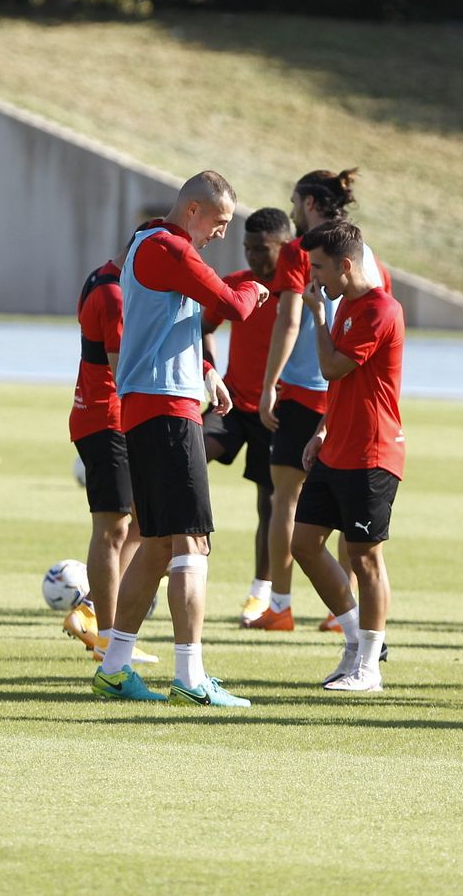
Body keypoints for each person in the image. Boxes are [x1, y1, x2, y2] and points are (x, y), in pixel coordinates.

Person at [91, 171, 267, 706]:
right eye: (220, 221)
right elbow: (234, 307)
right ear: (193, 209)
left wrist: (207, 371)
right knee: (192, 541)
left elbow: (188, 319)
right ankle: (190, 677)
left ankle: (115, 666)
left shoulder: (152, 242)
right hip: (166, 410)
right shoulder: (169, 247)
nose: (222, 232)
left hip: (155, 405)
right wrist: (256, 287)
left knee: (158, 541)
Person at [250, 169, 389, 633]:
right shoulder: (366, 257)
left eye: (294, 201)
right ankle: (341, 614)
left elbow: (290, 322)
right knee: (335, 525)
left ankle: (281, 605)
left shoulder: (299, 251)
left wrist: (269, 384)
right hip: (340, 403)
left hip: (311, 391)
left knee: (284, 503)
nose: (291, 210)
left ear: (310, 203)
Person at [288, 222, 405, 692]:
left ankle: (369, 668)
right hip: (338, 447)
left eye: (318, 267)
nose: (313, 277)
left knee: (365, 558)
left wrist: (317, 315)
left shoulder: (380, 308)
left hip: (372, 453)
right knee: (303, 544)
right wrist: (322, 428)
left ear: (346, 265)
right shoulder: (349, 307)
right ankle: (358, 643)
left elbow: (331, 366)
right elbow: (342, 384)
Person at [63, 229, 156, 667]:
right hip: (107, 419)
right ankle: (107, 635)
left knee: (139, 522)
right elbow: (124, 371)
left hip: (106, 416)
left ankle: (102, 619)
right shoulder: (116, 294)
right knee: (113, 527)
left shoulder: (102, 276)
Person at [201, 207, 290, 623]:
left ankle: (261, 593)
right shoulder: (237, 284)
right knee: (187, 453)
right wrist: (210, 370)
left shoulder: (298, 291)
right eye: (247, 248)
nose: (253, 257)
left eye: (262, 249)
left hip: (278, 410)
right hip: (232, 403)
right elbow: (203, 326)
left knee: (269, 503)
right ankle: (163, 556)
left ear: (285, 247)